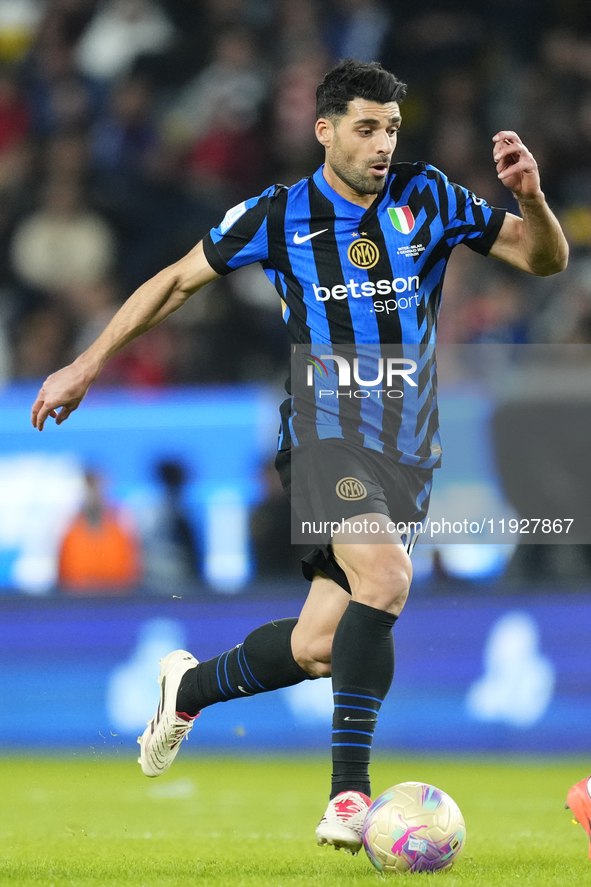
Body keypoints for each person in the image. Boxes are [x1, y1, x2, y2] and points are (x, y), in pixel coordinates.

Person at [31, 59, 569, 855]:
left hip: (408, 451)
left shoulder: (430, 197)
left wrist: (529, 197)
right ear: (324, 130)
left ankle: (192, 685)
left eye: (390, 127)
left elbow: (541, 259)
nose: (382, 143)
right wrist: (88, 361)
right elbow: (177, 281)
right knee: (385, 579)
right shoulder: (277, 215)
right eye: (364, 127)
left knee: (322, 643)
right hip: (324, 432)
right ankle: (348, 796)